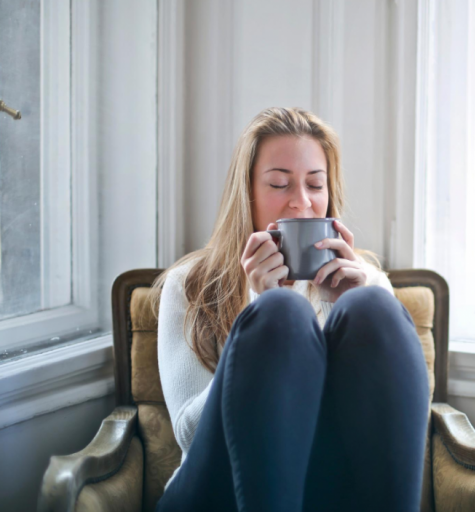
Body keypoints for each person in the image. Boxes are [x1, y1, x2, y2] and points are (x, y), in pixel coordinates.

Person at [150, 107, 430, 512]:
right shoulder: (190, 284)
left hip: (329, 491)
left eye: (315, 185)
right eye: (280, 184)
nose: (302, 203)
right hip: (215, 490)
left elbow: (399, 432)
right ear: (246, 193)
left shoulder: (366, 281)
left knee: (371, 304)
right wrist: (258, 308)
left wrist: (343, 306)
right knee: (281, 312)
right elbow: (190, 437)